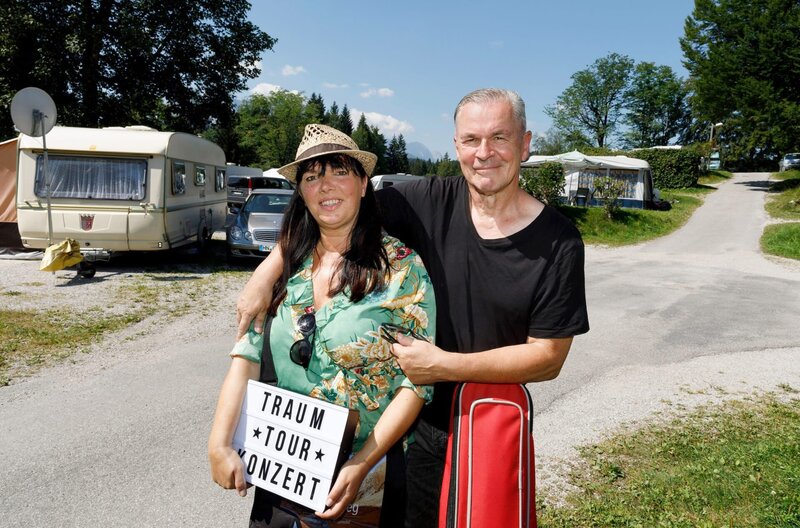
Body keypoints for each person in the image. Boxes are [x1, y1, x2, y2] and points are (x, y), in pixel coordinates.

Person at [234, 89, 590, 527]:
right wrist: (266, 272)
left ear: (526, 142)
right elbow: (332, 209)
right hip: (412, 432)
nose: (485, 153)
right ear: (456, 145)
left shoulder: (559, 241)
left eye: (500, 137)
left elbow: (548, 357)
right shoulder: (425, 201)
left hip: (488, 424)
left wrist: (444, 365)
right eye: (471, 139)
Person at [209, 124, 436, 528]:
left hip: (367, 475)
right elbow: (244, 357)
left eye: (339, 172)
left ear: (364, 184)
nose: (325, 186)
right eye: (312, 177)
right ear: (302, 192)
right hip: (284, 467)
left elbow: (416, 383)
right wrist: (219, 442)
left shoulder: (402, 269)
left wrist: (361, 464)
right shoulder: (284, 269)